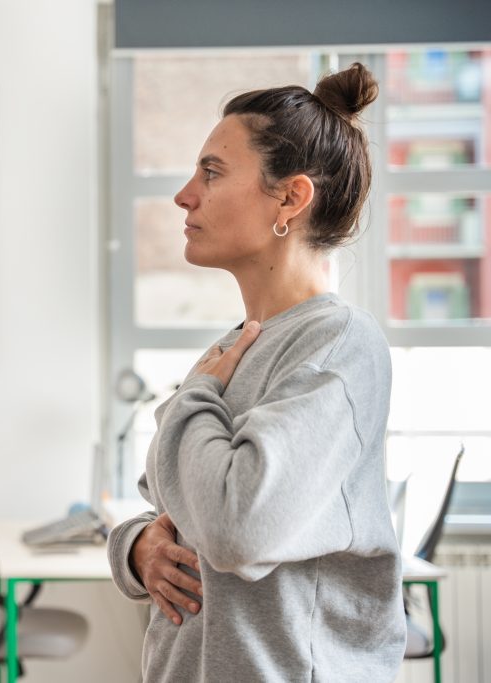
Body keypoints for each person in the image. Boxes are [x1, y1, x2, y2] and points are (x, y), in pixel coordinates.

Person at [107, 63, 407, 681]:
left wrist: (196, 393)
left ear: (291, 198)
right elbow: (162, 500)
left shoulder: (339, 345)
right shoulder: (232, 349)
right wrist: (138, 549)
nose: (184, 194)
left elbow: (238, 527)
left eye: (211, 172)